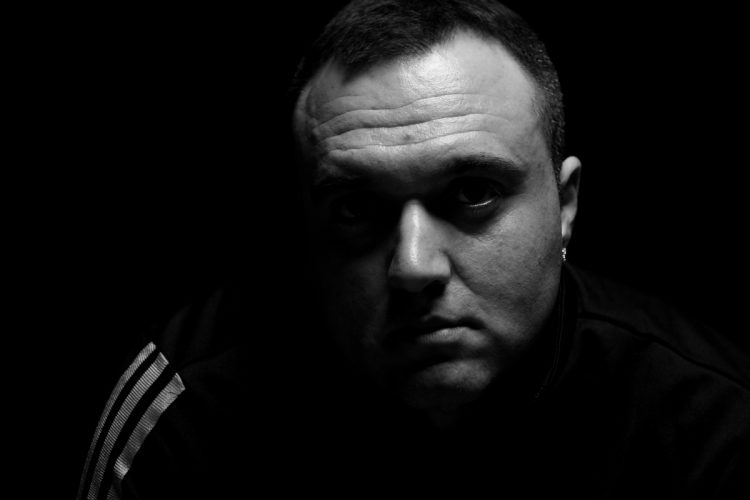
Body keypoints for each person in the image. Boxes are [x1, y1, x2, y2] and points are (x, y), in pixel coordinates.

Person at [77, 1, 749, 498]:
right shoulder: (189, 414)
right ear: (304, 227)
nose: (413, 267)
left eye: (474, 192)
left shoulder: (710, 422)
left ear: (565, 206)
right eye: (355, 208)